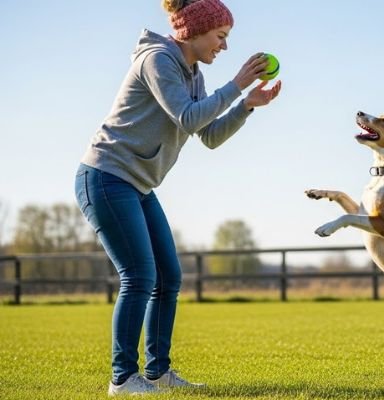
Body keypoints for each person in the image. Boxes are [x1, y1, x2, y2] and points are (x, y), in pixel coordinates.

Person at [74, 0, 281, 395]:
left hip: (137, 185)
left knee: (169, 277)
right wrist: (237, 84)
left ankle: (157, 373)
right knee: (138, 276)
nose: (223, 46)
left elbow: (210, 135)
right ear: (196, 31)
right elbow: (187, 117)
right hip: (105, 177)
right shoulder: (157, 60)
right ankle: (122, 379)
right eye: (220, 36)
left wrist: (246, 105)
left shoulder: (193, 73)